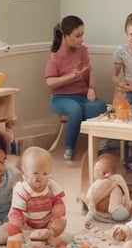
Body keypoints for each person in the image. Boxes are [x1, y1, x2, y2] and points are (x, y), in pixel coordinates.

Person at [44, 15, 106, 161]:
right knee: (75, 110)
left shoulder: (82, 51)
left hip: (81, 96)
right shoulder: (56, 57)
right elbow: (50, 83)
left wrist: (91, 88)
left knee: (101, 106)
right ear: (65, 37)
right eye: (77, 36)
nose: (81, 39)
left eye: (82, 35)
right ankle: (69, 148)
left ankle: (99, 146)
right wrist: (71, 76)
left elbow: (89, 70)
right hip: (61, 98)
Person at [7, 146, 67, 246]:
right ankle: (29, 234)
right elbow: (16, 211)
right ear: (24, 175)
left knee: (61, 221)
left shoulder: (51, 184)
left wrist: (58, 208)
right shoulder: (21, 190)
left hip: (48, 221)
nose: (41, 178)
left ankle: (50, 233)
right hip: (29, 223)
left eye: (45, 173)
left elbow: (57, 199)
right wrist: (16, 225)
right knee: (15, 223)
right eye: (35, 173)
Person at [78, 152, 132, 223]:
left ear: (113, 172)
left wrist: (127, 203)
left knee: (116, 190)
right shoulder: (96, 184)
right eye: (96, 171)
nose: (100, 174)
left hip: (111, 205)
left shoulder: (115, 180)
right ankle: (86, 208)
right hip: (95, 204)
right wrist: (91, 206)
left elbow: (125, 190)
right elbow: (90, 194)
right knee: (84, 197)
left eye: (104, 172)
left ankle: (116, 208)